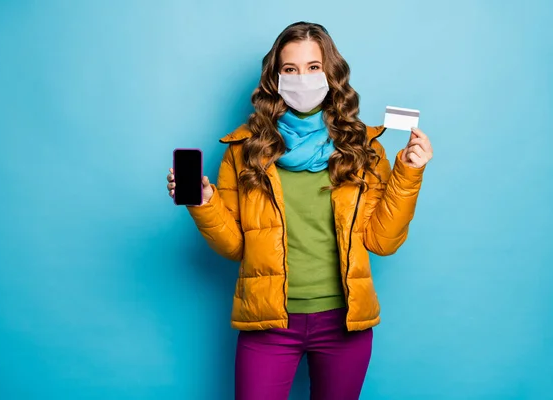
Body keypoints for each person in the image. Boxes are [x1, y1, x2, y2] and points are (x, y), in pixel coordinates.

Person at [166, 21, 433, 400]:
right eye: (290, 69)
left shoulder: (364, 150)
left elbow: (383, 241)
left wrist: (408, 174)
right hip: (268, 322)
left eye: (313, 67)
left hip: (344, 323)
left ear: (331, 73)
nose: (302, 79)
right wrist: (204, 204)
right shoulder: (243, 150)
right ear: (275, 78)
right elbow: (234, 247)